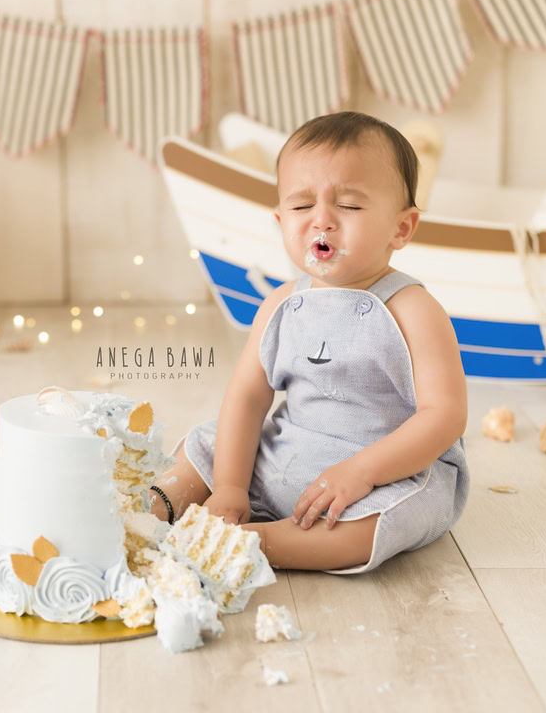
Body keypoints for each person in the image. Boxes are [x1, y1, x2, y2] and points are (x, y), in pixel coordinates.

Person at [148, 111, 469, 573]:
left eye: (350, 206)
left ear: (401, 228)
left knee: (386, 520)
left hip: (386, 472)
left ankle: (262, 542)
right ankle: (153, 510)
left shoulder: (413, 309)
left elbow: (445, 416)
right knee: (212, 440)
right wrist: (232, 486)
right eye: (301, 207)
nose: (322, 220)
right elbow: (247, 397)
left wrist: (362, 472)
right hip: (287, 452)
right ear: (280, 220)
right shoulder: (280, 306)